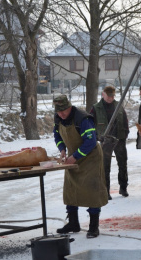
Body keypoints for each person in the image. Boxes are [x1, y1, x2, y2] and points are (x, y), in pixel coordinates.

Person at [53, 95, 108, 238]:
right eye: (58, 112)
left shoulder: (83, 119)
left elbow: (90, 142)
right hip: (73, 157)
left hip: (91, 158)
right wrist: (63, 150)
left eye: (63, 111)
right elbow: (57, 135)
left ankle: (93, 227)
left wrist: (74, 156)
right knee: (71, 190)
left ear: (69, 107)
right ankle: (73, 223)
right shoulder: (58, 118)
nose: (61, 114)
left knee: (92, 191)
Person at [90, 86, 130, 200]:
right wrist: (97, 137)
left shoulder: (119, 106)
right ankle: (105, 191)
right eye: (109, 96)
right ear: (103, 94)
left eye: (113, 96)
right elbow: (91, 124)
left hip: (119, 139)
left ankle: (123, 188)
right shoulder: (96, 108)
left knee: (123, 164)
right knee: (105, 167)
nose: (111, 98)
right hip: (105, 141)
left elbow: (125, 120)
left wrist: (125, 133)